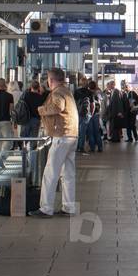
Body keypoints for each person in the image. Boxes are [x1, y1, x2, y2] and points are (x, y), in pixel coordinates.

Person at [31, 68, 77, 218]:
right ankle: (69, 207)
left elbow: (58, 107)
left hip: (61, 135)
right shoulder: (67, 91)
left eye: (48, 80)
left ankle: (45, 208)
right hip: (72, 135)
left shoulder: (57, 93)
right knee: (68, 174)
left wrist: (41, 109)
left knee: (50, 173)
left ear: (51, 80)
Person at [74, 76, 93, 154]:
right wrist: (91, 113)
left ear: (80, 83)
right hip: (86, 114)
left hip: (77, 113)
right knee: (83, 132)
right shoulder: (89, 92)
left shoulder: (76, 91)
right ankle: (81, 147)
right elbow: (92, 104)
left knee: (77, 131)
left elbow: (74, 103)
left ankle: (76, 147)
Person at [86, 81, 104, 153]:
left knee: (90, 132)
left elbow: (92, 105)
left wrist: (90, 114)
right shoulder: (99, 93)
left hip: (91, 114)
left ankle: (92, 148)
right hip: (97, 114)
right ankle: (100, 147)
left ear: (89, 87)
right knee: (97, 131)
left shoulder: (89, 93)